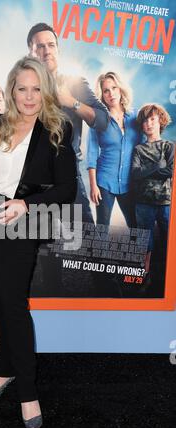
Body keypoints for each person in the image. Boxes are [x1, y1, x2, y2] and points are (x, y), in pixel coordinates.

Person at [0, 56, 77, 428]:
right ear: (12, 90)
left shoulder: (58, 129)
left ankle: (28, 392)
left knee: (13, 304)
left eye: (37, 88)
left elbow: (66, 189)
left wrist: (25, 203)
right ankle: (6, 369)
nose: (29, 97)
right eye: (22, 88)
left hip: (23, 220)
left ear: (46, 89)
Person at [27, 22, 109, 224]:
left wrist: (71, 101)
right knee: (37, 250)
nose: (46, 51)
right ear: (30, 52)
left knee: (84, 241)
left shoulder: (74, 83)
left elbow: (103, 120)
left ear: (58, 49)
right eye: (40, 46)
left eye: (51, 45)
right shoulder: (21, 88)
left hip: (66, 176)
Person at [87, 71, 142, 229]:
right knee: (102, 227)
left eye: (114, 88)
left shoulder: (135, 117)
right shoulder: (97, 119)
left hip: (129, 182)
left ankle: (139, 254)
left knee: (135, 227)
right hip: (104, 182)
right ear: (102, 95)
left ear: (120, 89)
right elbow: (91, 153)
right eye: (106, 90)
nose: (111, 93)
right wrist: (93, 185)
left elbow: (143, 148)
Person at [131, 103, 174, 276]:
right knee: (145, 242)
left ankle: (169, 277)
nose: (149, 123)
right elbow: (135, 174)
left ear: (160, 121)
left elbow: (170, 171)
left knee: (170, 238)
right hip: (143, 203)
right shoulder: (138, 149)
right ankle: (144, 275)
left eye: (152, 119)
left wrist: (147, 171)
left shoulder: (169, 146)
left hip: (166, 202)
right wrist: (157, 165)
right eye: (145, 121)